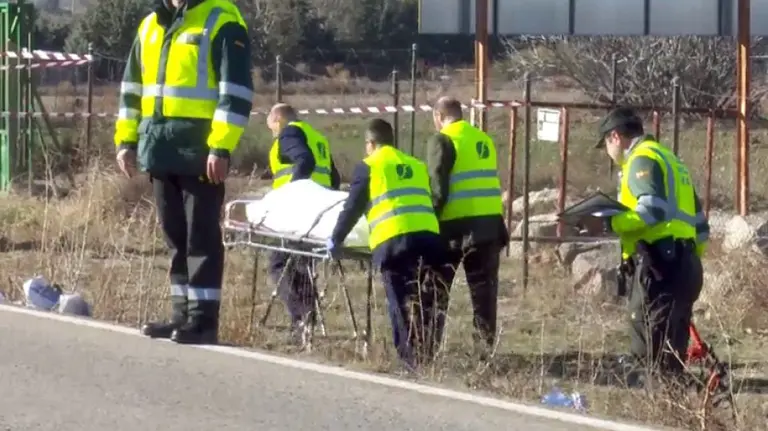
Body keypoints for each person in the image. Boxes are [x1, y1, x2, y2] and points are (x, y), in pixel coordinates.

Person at [113, 0, 253, 345]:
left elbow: (235, 92)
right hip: (158, 149)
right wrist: (125, 140)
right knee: (175, 237)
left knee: (200, 237)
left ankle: (203, 321)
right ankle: (181, 314)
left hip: (200, 151)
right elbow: (132, 90)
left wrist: (220, 146)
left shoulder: (222, 20)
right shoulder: (149, 26)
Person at [593, 107, 709, 382]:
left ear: (615, 137)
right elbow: (701, 228)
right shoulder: (672, 160)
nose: (608, 153)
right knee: (672, 349)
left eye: (605, 145)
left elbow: (652, 210)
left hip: (658, 262)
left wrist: (614, 223)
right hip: (687, 264)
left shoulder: (640, 160)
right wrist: (688, 255)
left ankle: (651, 408)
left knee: (647, 338)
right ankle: (671, 409)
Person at [327, 118, 445, 369]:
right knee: (426, 300)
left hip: (394, 242)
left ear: (370, 144)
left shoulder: (369, 166)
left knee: (400, 302)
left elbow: (353, 207)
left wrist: (336, 238)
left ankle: (409, 361)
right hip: (430, 239)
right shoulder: (415, 164)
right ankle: (428, 357)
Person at [425, 96, 509, 358]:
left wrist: (427, 223)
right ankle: (483, 353)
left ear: (439, 117)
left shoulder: (442, 140)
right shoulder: (483, 139)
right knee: (484, 296)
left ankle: (428, 349)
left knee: (436, 291)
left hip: (452, 230)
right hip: (488, 228)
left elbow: (438, 190)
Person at [266, 103, 341, 345]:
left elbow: (304, 161)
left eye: (271, 126)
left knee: (279, 264)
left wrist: (293, 192)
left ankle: (301, 319)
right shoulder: (317, 137)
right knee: (301, 266)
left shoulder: (289, 133)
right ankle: (304, 325)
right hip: (318, 212)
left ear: (277, 120)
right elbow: (335, 177)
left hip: (296, 210)